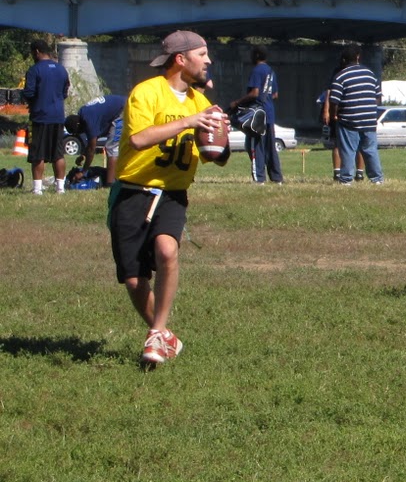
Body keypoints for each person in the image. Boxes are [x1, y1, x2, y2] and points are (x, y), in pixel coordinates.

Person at [108, 30, 231, 367]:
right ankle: (164, 336)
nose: (208, 61)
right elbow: (139, 139)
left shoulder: (201, 103)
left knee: (167, 250)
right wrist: (189, 122)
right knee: (134, 278)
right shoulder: (146, 92)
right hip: (132, 192)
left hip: (172, 194)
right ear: (181, 59)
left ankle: (155, 333)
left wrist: (223, 139)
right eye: (202, 54)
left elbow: (214, 157)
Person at [327, 46, 383, 185]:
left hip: (349, 119)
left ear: (344, 60)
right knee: (370, 150)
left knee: (348, 150)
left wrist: (334, 115)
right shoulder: (370, 74)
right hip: (369, 119)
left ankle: (346, 179)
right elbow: (377, 97)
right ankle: (377, 179)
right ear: (358, 57)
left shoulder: (341, 76)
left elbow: (334, 100)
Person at [22, 38, 71, 195]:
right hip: (58, 116)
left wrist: (32, 103)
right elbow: (65, 92)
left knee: (38, 153)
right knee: (58, 153)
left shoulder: (34, 70)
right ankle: (60, 188)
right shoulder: (61, 69)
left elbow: (29, 93)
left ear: (36, 52)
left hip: (40, 117)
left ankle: (37, 189)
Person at [231, 47, 282, 184]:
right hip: (269, 113)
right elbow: (275, 94)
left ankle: (259, 178)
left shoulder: (257, 70)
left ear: (257, 55)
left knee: (255, 146)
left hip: (258, 116)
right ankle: (277, 178)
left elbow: (254, 93)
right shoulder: (271, 71)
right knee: (270, 148)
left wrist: (237, 102)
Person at [65, 93, 127, 173]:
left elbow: (92, 149)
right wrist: (83, 155)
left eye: (77, 132)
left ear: (78, 126)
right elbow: (90, 144)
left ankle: (111, 180)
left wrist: (83, 172)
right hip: (121, 105)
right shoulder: (83, 113)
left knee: (111, 148)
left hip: (123, 109)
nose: (80, 133)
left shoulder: (89, 121)